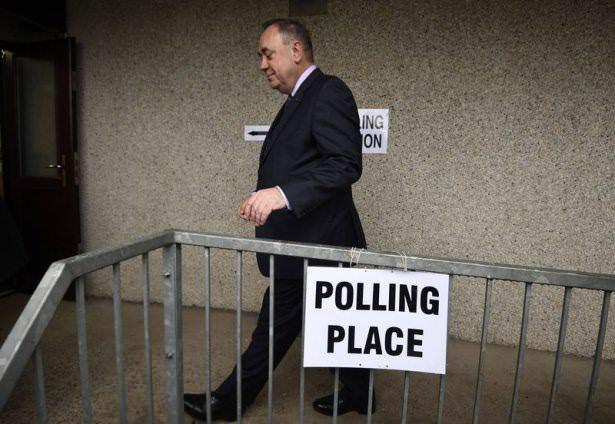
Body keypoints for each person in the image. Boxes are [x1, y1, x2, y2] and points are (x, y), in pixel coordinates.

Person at [184, 18, 373, 421]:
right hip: (301, 244)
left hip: (320, 245)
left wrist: (280, 195)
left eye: (267, 54)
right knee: (312, 325)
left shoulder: (328, 92)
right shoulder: (297, 101)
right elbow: (302, 164)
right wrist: (264, 198)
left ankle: (228, 402)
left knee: (288, 327)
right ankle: (360, 393)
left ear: (296, 50)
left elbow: (345, 164)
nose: (262, 65)